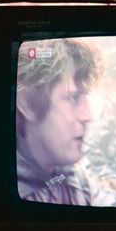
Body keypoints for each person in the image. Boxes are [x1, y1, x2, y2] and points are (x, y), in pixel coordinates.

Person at [16, 37, 102, 205]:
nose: (88, 115)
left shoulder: (76, 179)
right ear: (26, 103)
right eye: (72, 98)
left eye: (85, 97)